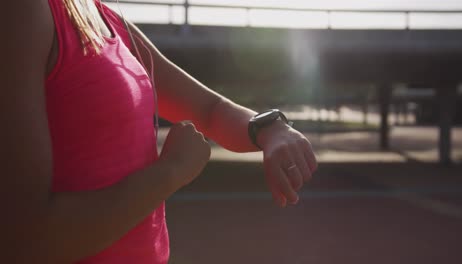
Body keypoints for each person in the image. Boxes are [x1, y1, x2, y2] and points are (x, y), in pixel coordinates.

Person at [0, 0, 317, 263]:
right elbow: (26, 238)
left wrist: (270, 127)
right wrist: (171, 172)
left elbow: (210, 110)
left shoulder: (103, 15)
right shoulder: (23, 11)